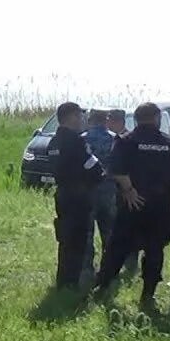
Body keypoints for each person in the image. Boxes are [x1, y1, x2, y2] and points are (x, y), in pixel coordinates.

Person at [94, 103, 170, 307]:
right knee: (154, 250)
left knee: (117, 247)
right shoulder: (169, 143)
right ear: (157, 118)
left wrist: (129, 190)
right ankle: (148, 294)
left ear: (136, 119)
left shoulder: (127, 141)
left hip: (132, 203)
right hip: (160, 205)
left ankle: (102, 287)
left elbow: (115, 169)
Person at [50, 101, 105, 289]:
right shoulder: (76, 141)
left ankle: (63, 278)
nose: (82, 119)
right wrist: (98, 176)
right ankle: (76, 280)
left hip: (62, 194)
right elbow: (93, 167)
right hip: (79, 195)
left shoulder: (53, 141)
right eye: (80, 116)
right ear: (72, 117)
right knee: (79, 240)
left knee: (65, 238)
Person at [81, 109, 137, 280]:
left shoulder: (82, 138)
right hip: (111, 191)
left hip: (87, 191)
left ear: (90, 119)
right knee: (111, 231)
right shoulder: (116, 139)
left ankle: (87, 270)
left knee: (87, 233)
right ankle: (111, 268)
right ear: (106, 120)